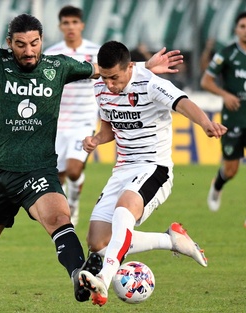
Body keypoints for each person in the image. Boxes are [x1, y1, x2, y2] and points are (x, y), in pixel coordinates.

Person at [0, 2, 185, 312]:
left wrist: (145, 65)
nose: (29, 50)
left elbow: (104, 69)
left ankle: (79, 276)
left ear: (41, 40)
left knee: (59, 218)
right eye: (20, 44)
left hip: (38, 170)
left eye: (34, 43)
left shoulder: (58, 66)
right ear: (9, 42)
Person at [78, 40, 227, 307]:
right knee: (98, 242)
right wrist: (95, 140)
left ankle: (103, 278)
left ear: (130, 67)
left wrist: (206, 123)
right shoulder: (100, 87)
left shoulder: (149, 83)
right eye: (104, 76)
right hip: (122, 169)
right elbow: (109, 128)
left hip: (153, 167)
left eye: (115, 78)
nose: (110, 84)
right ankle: (171, 240)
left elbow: (183, 102)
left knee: (124, 211)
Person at [200, 12, 246, 228]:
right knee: (231, 169)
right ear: (236, 30)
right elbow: (205, 81)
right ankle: (217, 185)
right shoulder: (226, 55)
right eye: (242, 26)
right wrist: (225, 95)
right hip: (231, 120)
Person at [43, 5, 101, 226]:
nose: (71, 27)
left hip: (83, 122)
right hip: (57, 124)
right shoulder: (51, 54)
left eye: (74, 22)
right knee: (58, 177)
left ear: (82, 25)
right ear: (60, 26)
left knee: (75, 170)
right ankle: (65, 210)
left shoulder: (96, 52)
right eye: (66, 23)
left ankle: (74, 204)